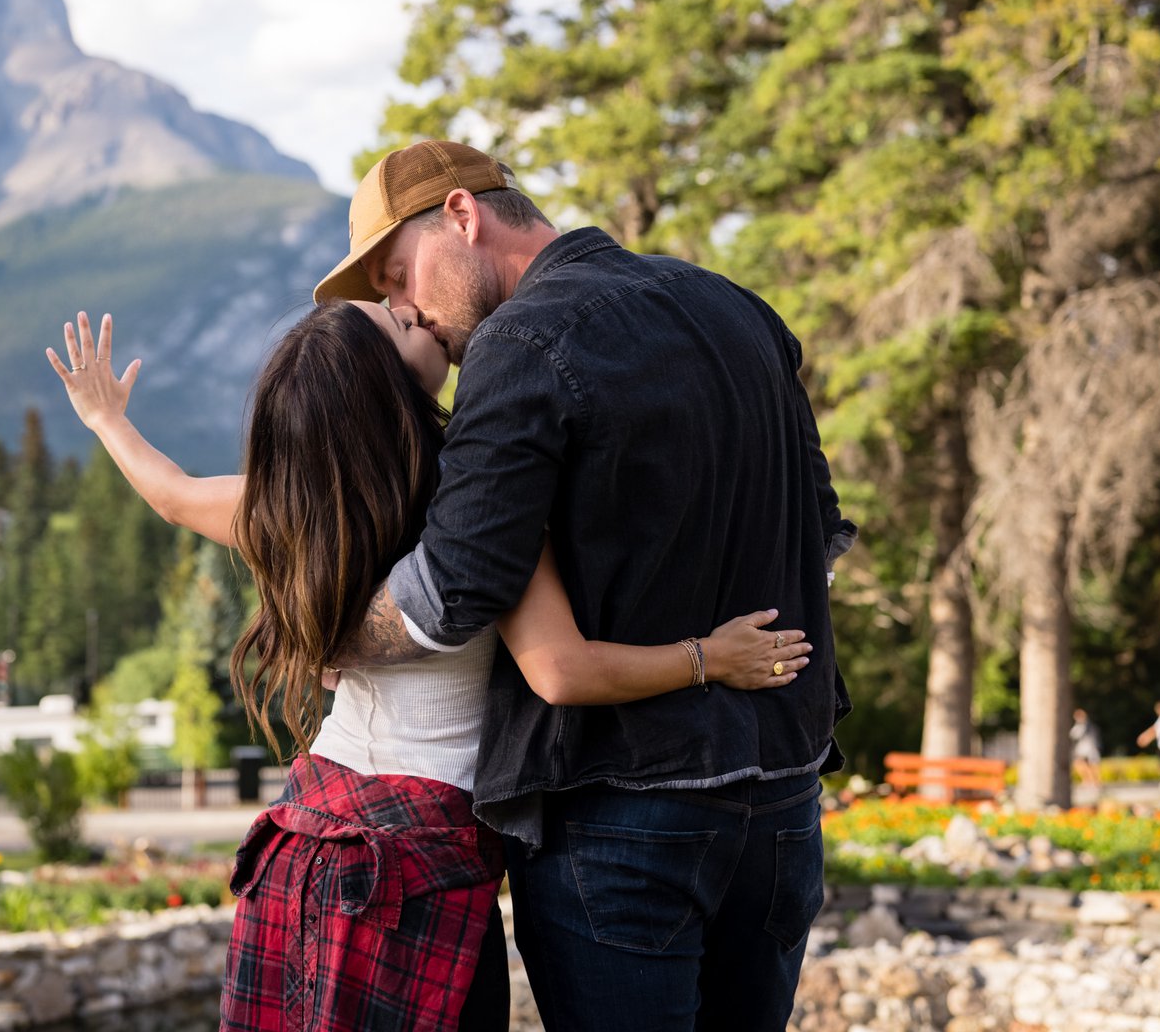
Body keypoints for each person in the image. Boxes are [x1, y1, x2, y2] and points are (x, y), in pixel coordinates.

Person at [49, 303, 814, 1031]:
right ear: (383, 388)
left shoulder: (289, 510)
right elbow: (561, 672)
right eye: (400, 323)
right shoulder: (478, 511)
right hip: (417, 861)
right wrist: (710, 658)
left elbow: (175, 495)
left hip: (306, 844)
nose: (416, 312)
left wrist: (105, 421)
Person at [309, 140, 854, 1032]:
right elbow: (823, 530)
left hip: (624, 814)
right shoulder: (739, 309)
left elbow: (455, 587)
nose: (407, 308)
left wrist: (325, 631)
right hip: (784, 803)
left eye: (400, 276)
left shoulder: (517, 344)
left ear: (461, 214)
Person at [1071, 709, 1103, 789]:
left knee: (1093, 765)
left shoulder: (1088, 726)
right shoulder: (1079, 726)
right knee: (1080, 764)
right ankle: (1088, 780)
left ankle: (1095, 782)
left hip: (1090, 748)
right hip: (1082, 749)